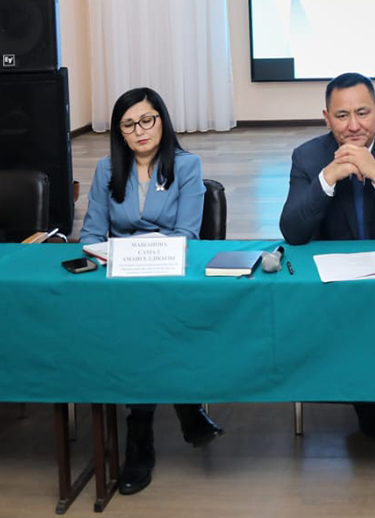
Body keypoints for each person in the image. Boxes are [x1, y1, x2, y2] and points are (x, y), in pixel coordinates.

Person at [78, 86, 222, 495]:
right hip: (122, 278)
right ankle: (186, 408)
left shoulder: (187, 166)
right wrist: (118, 257)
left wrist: (139, 251)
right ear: (119, 133)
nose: (140, 130)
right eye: (129, 125)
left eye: (147, 120)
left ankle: (139, 433)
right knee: (138, 322)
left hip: (169, 276)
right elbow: (91, 235)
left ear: (162, 120)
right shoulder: (107, 170)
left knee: (144, 326)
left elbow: (187, 234)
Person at [280, 72, 375, 438]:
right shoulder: (308, 156)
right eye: (342, 116)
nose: (353, 126)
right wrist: (326, 179)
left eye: (363, 113)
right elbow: (293, 232)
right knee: (347, 314)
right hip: (335, 286)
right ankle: (366, 401)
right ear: (327, 118)